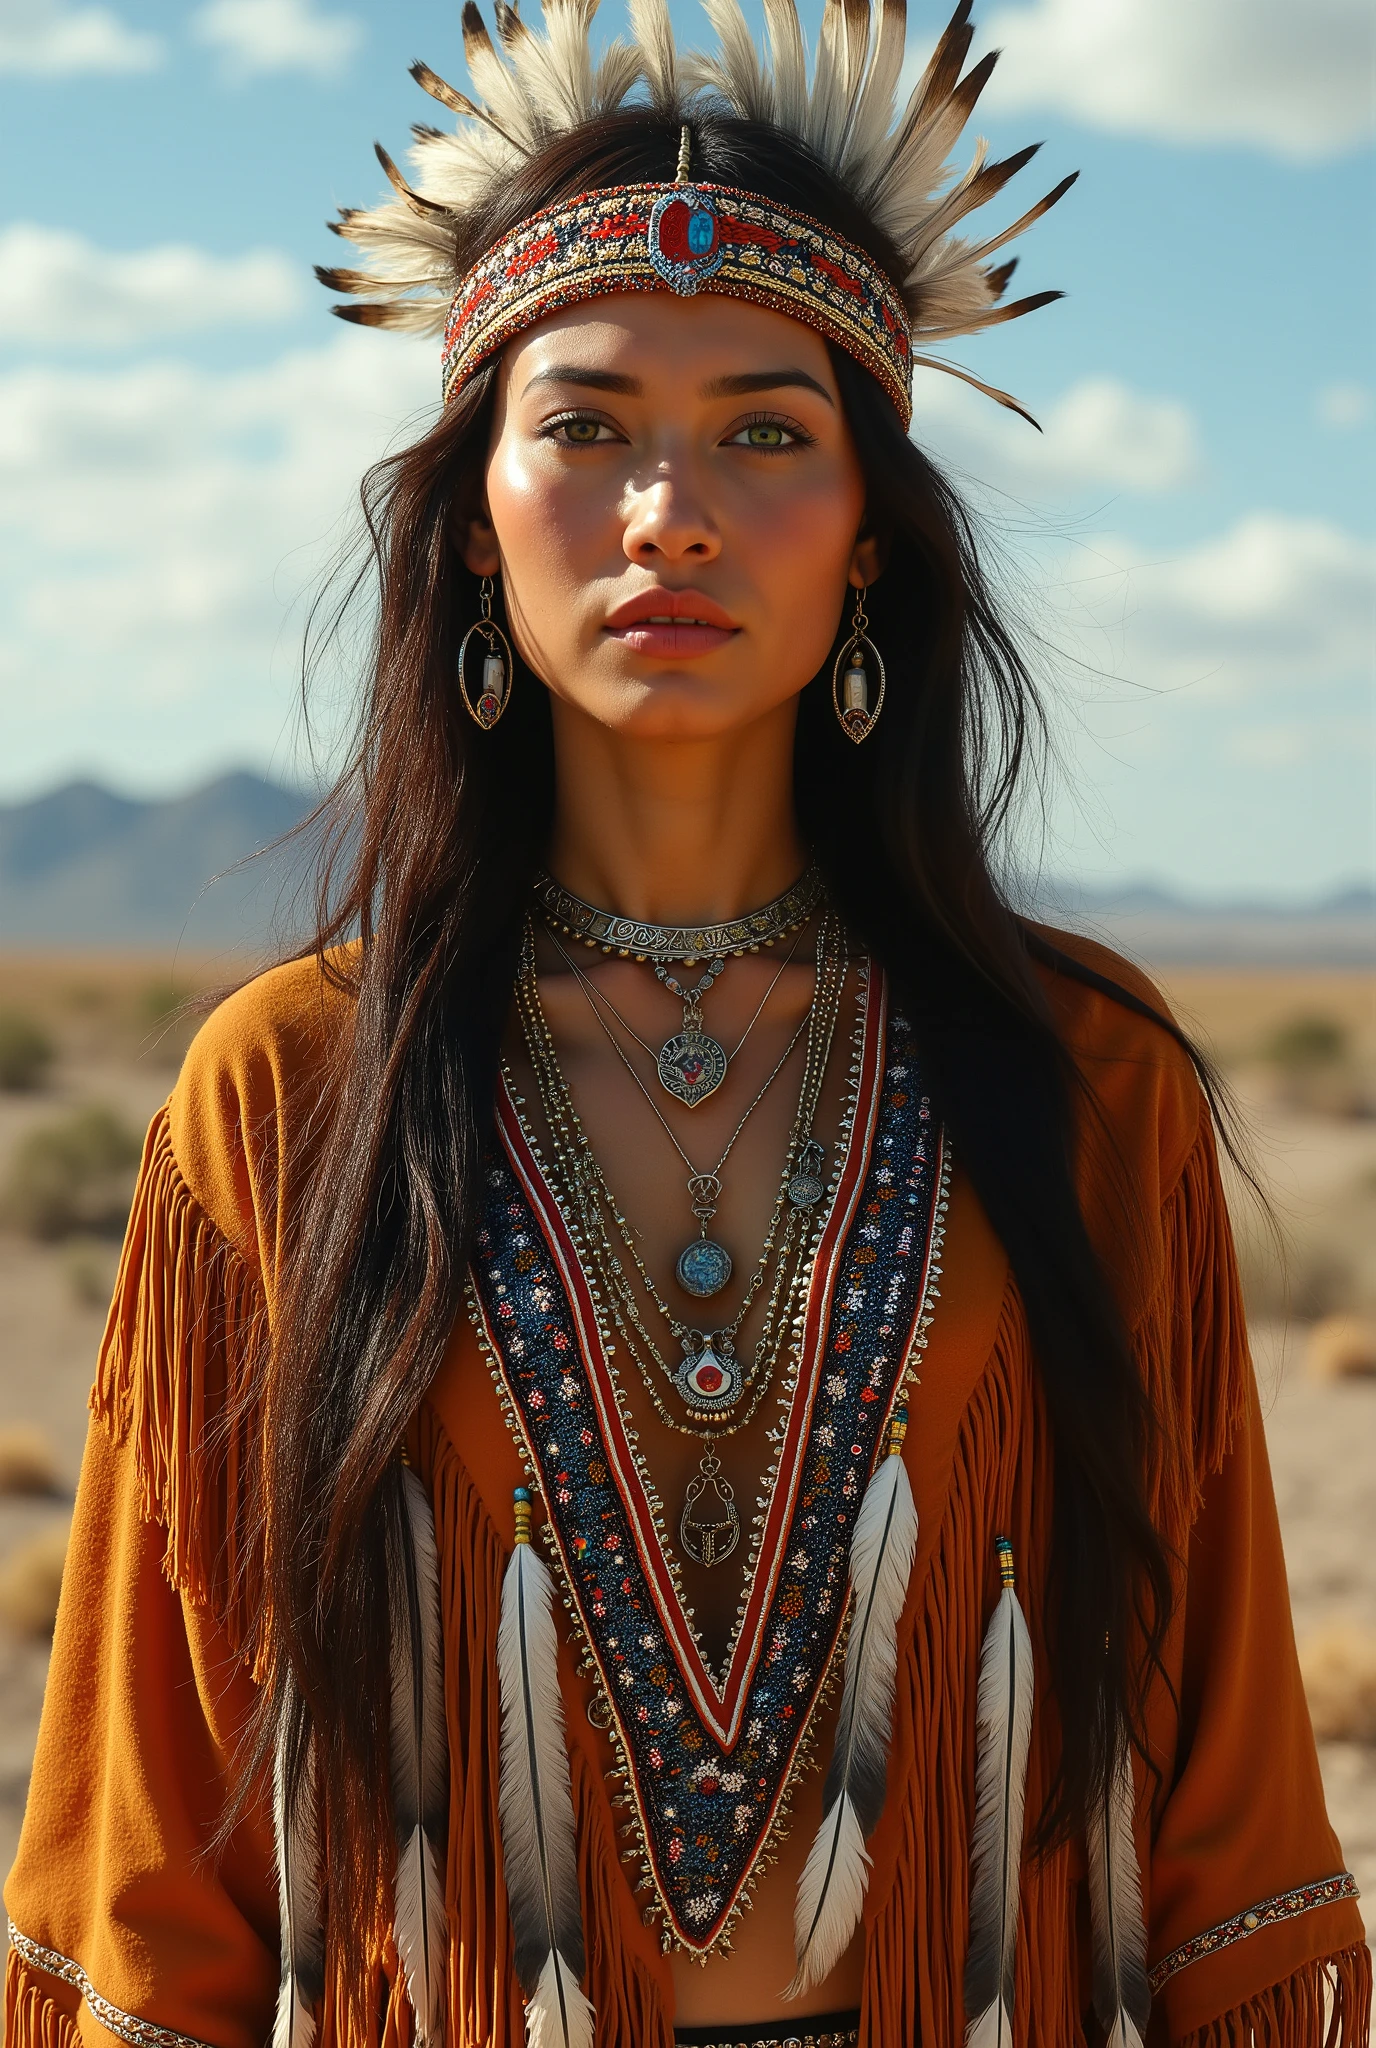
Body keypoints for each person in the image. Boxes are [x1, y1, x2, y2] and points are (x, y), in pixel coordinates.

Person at [5, 2, 1368, 2044]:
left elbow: (1223, 1787)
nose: (669, 509)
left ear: (869, 537)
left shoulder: (1086, 1075)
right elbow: (153, 1833)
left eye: (763, 429)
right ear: (473, 514)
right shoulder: (291, 1088)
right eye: (583, 424)